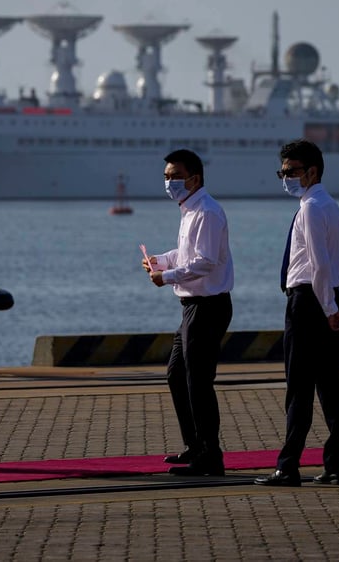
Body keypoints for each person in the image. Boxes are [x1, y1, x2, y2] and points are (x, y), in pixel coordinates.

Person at [255, 139, 339, 487]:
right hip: (327, 300)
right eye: (282, 172)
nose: (286, 178)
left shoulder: (311, 208)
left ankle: (288, 467)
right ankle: (335, 466)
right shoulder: (332, 206)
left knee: (298, 386)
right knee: (332, 385)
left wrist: (329, 308)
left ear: (312, 171)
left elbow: (320, 264)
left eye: (292, 171)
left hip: (307, 301)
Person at [143, 149, 234, 477]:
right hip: (192, 307)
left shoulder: (206, 211)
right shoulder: (190, 209)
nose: (169, 183)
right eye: (167, 177)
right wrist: (163, 260)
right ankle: (195, 444)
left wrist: (165, 277)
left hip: (207, 307)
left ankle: (211, 455)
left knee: (198, 381)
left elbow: (206, 262)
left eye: (175, 177)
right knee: (177, 374)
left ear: (195, 179)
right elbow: (187, 253)